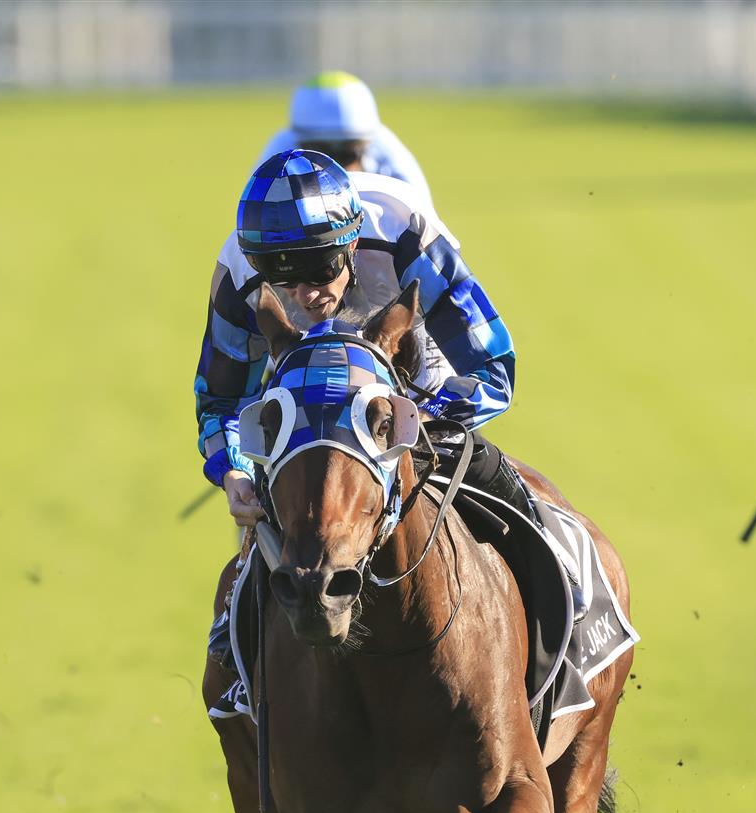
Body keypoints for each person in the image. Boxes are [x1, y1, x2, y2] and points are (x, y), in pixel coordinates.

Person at [194, 149, 529, 536]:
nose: (306, 296)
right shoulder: (238, 276)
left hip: (419, 382)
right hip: (306, 413)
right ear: (257, 264)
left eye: (322, 270)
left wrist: (420, 421)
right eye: (282, 278)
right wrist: (233, 473)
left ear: (352, 244)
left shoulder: (404, 232)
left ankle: (559, 564)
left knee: (481, 468)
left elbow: (492, 366)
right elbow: (221, 402)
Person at [256, 71, 432, 205]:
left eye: (347, 154)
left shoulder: (393, 163)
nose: (334, 170)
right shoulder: (280, 151)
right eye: (319, 155)